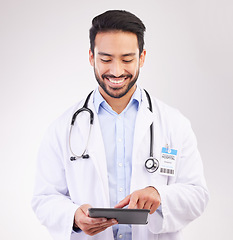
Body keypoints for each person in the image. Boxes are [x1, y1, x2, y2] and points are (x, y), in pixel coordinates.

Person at [32, 10, 209, 240]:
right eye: (105, 59)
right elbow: (44, 199)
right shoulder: (63, 127)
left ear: (142, 57)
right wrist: (74, 216)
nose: (116, 71)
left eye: (127, 59)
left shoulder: (174, 124)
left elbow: (197, 195)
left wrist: (160, 195)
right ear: (90, 57)